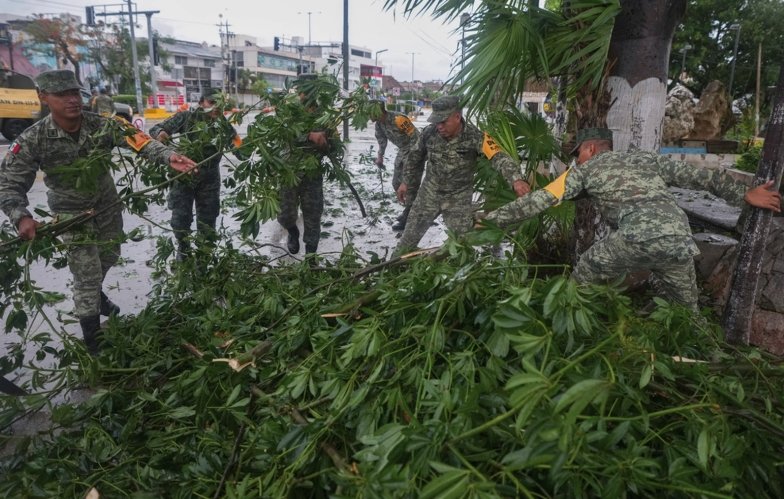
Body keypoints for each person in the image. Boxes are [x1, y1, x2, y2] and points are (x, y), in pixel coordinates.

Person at [480, 127, 782, 313]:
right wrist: (744, 194)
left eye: (577, 154)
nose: (576, 160)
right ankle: (702, 359)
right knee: (686, 311)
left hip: (637, 237)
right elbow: (699, 177)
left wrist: (494, 220)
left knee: (586, 269)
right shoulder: (644, 159)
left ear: (591, 149)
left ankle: (568, 317)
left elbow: (541, 199)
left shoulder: (584, 170)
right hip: (678, 237)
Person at [0, 70, 197, 354]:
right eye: (62, 95)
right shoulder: (33, 138)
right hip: (71, 215)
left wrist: (169, 157)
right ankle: (94, 341)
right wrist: (21, 216)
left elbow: (138, 140)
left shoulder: (102, 125)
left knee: (110, 253)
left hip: (106, 205)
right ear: (43, 97)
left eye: (74, 93)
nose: (71, 100)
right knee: (87, 274)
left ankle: (96, 296)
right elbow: (9, 183)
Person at [394, 94, 530, 253]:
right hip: (429, 194)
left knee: (460, 246)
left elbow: (498, 156)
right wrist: (406, 182)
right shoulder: (429, 133)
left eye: (443, 121)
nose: (439, 126)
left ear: (457, 117)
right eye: (437, 122)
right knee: (406, 242)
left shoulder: (476, 136)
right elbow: (414, 158)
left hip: (458, 199)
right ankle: (393, 270)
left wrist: (516, 180)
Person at [150, 88, 245, 261]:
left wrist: (251, 146)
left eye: (219, 104)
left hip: (209, 179)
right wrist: (160, 134)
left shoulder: (223, 124)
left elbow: (238, 147)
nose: (216, 107)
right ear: (202, 103)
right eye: (212, 102)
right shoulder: (186, 117)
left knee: (208, 221)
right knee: (180, 218)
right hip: (184, 176)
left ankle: (204, 255)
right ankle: (183, 248)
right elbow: (156, 129)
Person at [277, 76, 337, 255]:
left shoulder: (325, 114)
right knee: (285, 213)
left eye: (312, 90)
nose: (307, 94)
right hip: (289, 170)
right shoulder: (288, 110)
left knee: (313, 215)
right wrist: (309, 136)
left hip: (313, 173)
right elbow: (283, 133)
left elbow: (333, 144)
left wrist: (326, 144)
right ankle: (292, 231)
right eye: (304, 90)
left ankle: (311, 257)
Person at [370, 99, 422, 231]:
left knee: (409, 186)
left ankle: (409, 218)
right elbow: (382, 141)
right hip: (403, 150)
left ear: (378, 111)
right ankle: (410, 210)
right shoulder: (379, 124)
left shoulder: (399, 120)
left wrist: (412, 162)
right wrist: (380, 157)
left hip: (415, 150)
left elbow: (417, 139)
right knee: (396, 183)